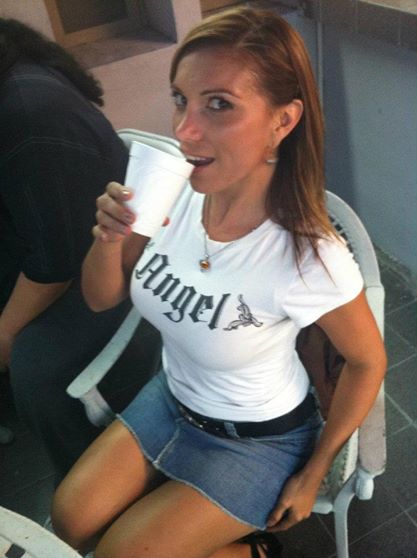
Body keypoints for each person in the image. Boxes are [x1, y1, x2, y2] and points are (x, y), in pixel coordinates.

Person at [51, 7, 386, 558]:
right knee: (69, 522)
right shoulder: (173, 196)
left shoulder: (308, 255)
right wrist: (108, 239)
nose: (184, 130)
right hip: (171, 400)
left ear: (283, 121)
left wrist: (315, 471)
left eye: (219, 104)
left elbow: (367, 362)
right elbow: (101, 297)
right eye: (180, 99)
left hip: (257, 441)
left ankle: (256, 552)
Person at [0, 18, 141, 481]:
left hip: (95, 264)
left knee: (35, 366)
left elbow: (56, 263)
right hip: (63, 247)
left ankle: (83, 471)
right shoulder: (15, 77)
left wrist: (5, 335)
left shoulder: (29, 116)